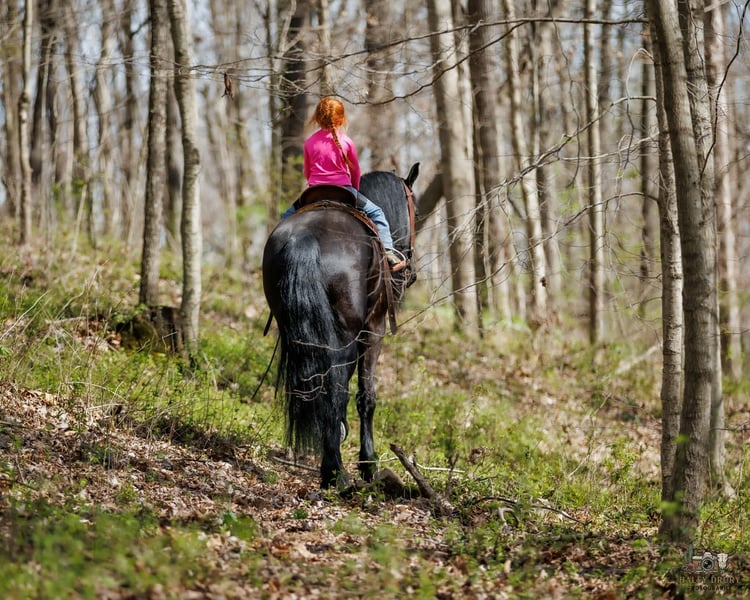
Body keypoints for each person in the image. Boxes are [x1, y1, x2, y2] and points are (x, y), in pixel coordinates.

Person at [283, 97, 403, 269]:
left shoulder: (309, 142)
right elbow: (356, 172)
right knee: (377, 213)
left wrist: (315, 181)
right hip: (343, 190)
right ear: (341, 119)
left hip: (315, 191)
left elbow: (307, 173)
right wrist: (354, 190)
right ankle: (389, 252)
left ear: (317, 118)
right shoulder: (346, 142)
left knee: (286, 217)